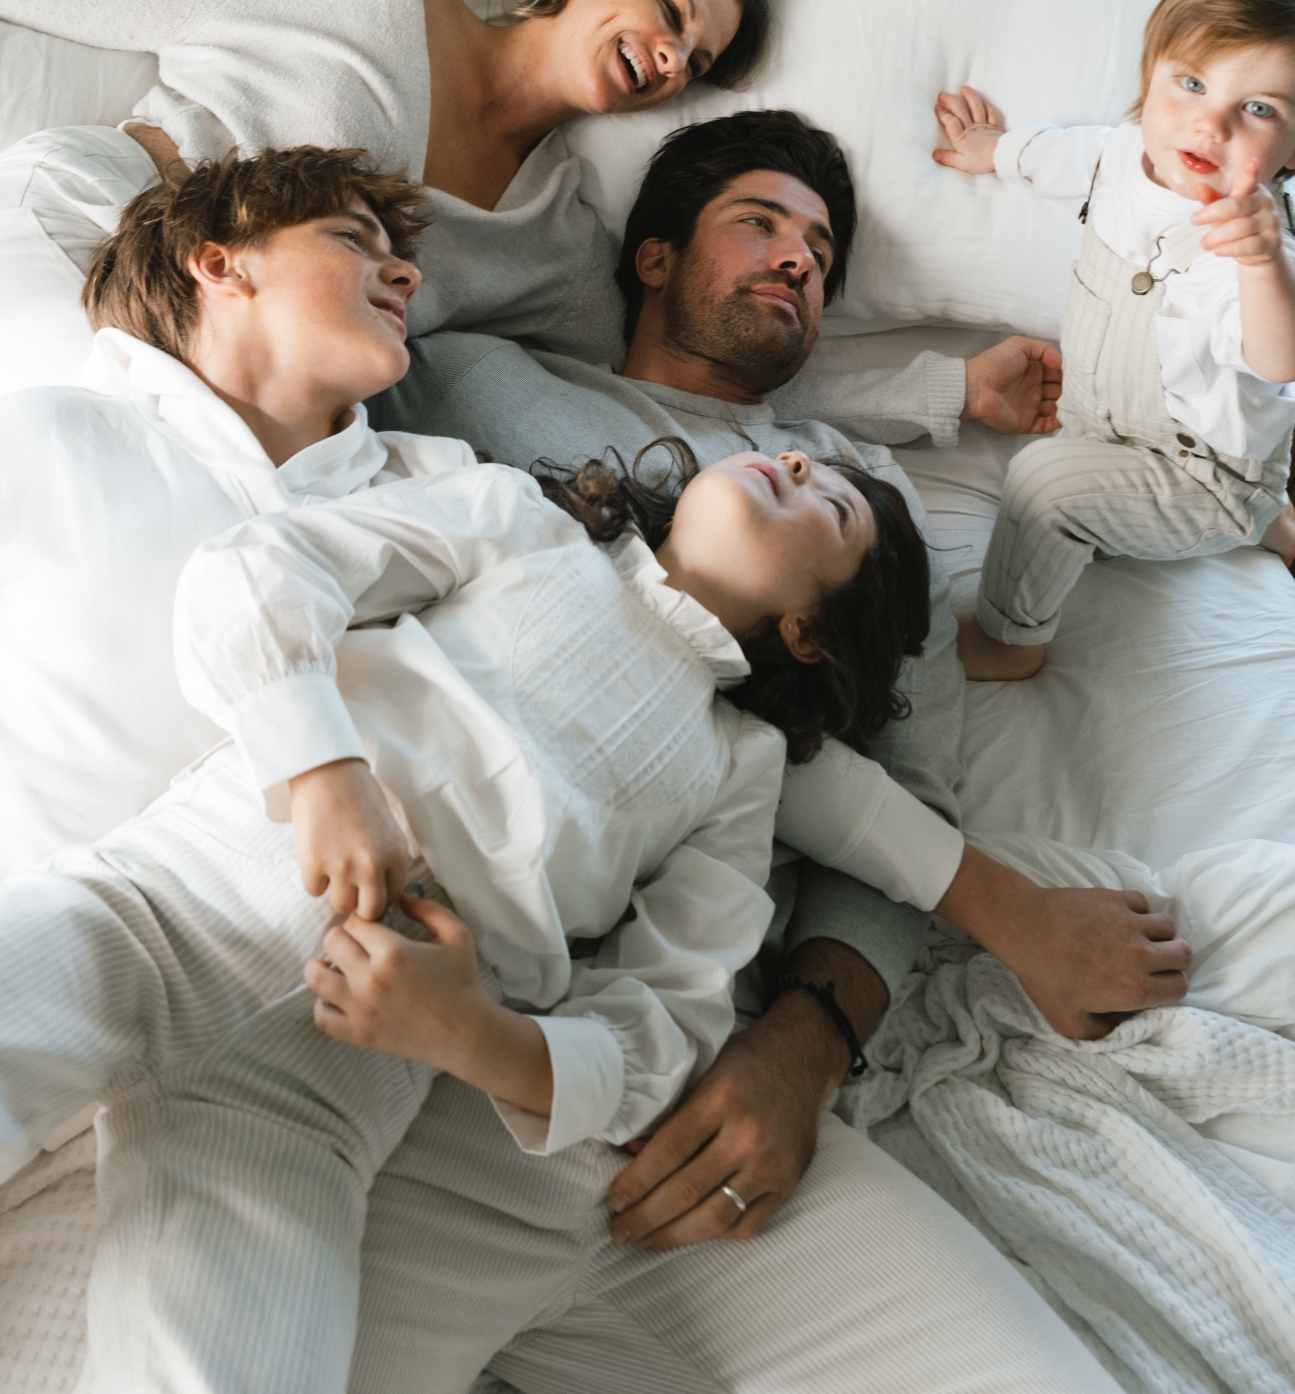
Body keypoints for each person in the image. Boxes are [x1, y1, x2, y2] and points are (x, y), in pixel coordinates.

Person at [0, 408, 992, 1387]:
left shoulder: (739, 773)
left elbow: (666, 1026)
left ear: (806, 630)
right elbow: (263, 571)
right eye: (789, 454)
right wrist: (320, 767)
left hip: (318, 1097)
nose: (790, 458)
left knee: (248, 1363)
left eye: (829, 501)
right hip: (165, 913)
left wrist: (479, 1036)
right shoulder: (521, 525)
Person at [375, 107, 1194, 1250]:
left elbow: (911, 796)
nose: (800, 257)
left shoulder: (858, 514)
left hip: (647, 1046)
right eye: (759, 223)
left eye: (818, 250)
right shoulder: (474, 382)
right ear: (652, 256)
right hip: (371, 870)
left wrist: (807, 1042)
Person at [0, 0, 769, 470]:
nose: (677, 60)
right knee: (121, 479)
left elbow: (659, 371)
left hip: (181, 412)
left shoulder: (557, 243)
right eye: (674, 12)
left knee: (152, 535)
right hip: (68, 241)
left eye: (702, 64)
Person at [0, 145, 458, 979]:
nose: (404, 274)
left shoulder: (424, 511)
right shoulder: (49, 439)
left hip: (84, 1032)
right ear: (222, 266)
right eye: (351, 239)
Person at [934, 0, 1295, 680]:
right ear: (1150, 77)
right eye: (1191, 83)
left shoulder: (1253, 247)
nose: (1209, 123)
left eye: (1258, 109)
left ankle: (1013, 640)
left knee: (1041, 486)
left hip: (1202, 474)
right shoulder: (1119, 155)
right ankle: (1281, 527)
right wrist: (991, 150)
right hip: (1104, 424)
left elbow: (1279, 360)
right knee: (1079, 465)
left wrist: (1264, 264)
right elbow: (1055, 156)